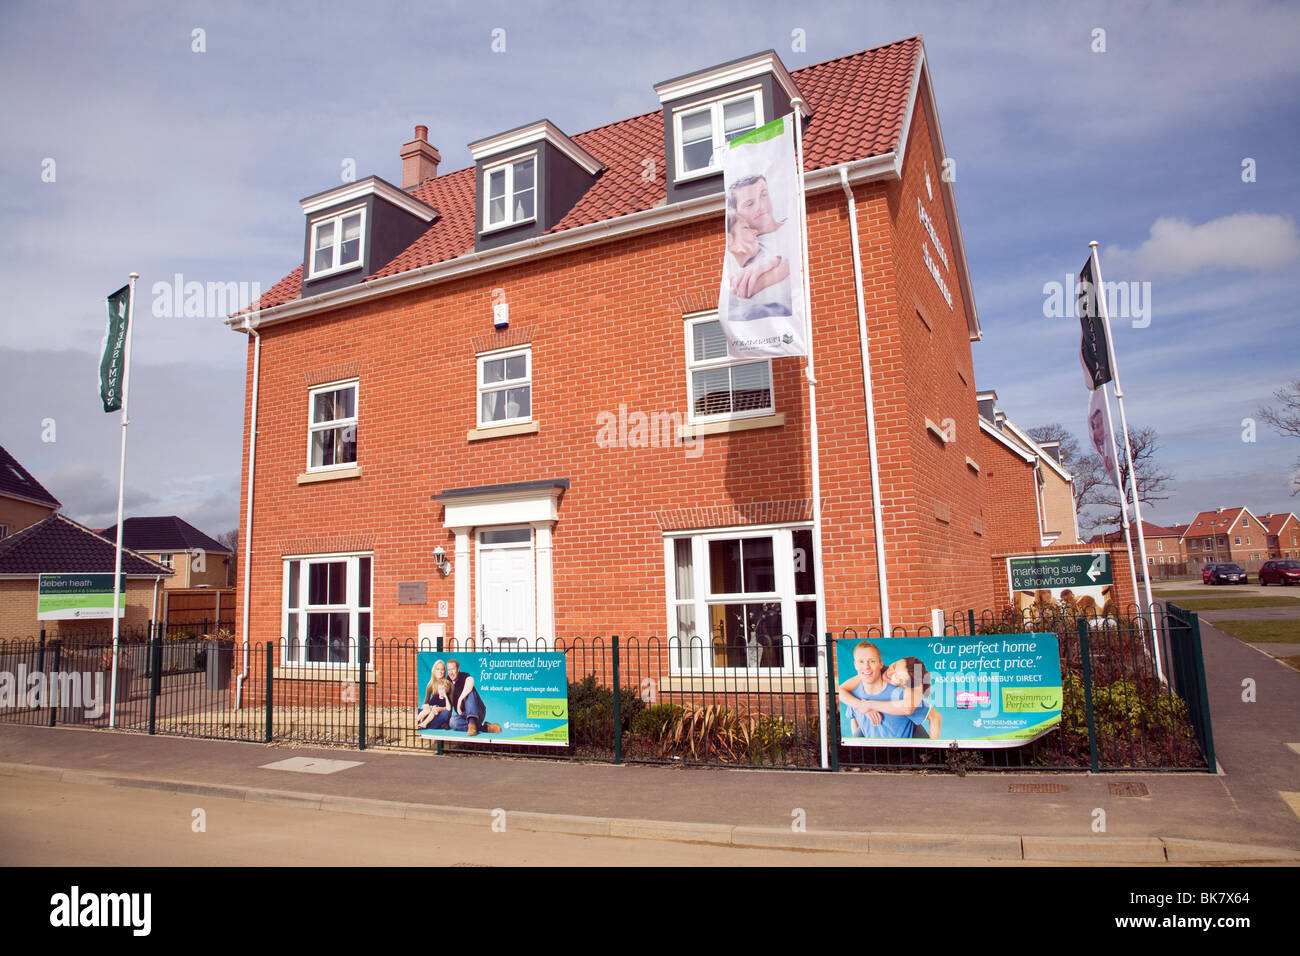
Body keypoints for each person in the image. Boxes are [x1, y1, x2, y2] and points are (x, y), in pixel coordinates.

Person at [723, 175, 793, 319]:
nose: (761, 206)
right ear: (734, 210)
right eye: (749, 203)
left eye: (764, 195)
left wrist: (774, 261)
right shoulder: (740, 249)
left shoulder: (794, 227)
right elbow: (745, 289)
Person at [851, 657, 943, 739]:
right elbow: (853, 715)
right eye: (894, 666)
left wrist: (933, 749)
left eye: (897, 677)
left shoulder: (901, 694)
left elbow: (935, 716)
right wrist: (860, 705)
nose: (890, 673)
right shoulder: (866, 681)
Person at [837, 641, 906, 738]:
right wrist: (863, 707)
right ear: (855, 665)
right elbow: (854, 721)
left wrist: (868, 706)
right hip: (871, 751)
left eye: (872, 661)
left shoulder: (899, 692)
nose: (866, 666)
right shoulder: (853, 695)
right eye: (861, 661)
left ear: (880, 664)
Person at [446, 658, 501, 736]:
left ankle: (472, 722)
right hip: (464, 715)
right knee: (452, 722)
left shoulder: (464, 676)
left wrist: (460, 700)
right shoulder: (447, 681)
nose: (451, 672)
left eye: (453, 669)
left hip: (477, 711)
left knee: (469, 691)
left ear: (458, 669)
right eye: (449, 670)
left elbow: (470, 681)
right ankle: (483, 728)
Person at [416, 659, 454, 730]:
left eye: (442, 670)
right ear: (434, 671)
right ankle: (427, 723)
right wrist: (427, 707)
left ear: (445, 671)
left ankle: (426, 723)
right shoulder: (430, 685)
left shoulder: (449, 685)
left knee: (445, 714)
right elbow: (425, 703)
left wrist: (439, 709)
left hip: (441, 711)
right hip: (431, 711)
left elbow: (450, 708)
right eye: (438, 669)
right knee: (418, 711)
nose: (440, 672)